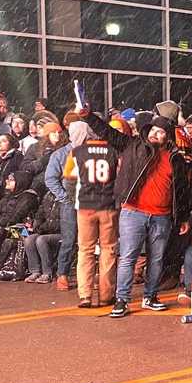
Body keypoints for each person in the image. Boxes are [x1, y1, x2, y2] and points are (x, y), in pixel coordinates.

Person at [77, 108, 192, 318]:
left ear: (168, 136)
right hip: (133, 212)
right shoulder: (132, 145)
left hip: (162, 216)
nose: (156, 135)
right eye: (154, 131)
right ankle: (122, 300)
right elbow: (107, 132)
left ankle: (150, 296)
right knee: (128, 257)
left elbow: (182, 190)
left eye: (161, 132)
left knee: (156, 259)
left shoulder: (175, 158)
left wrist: (183, 217)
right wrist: (87, 115)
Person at [69, 126, 121, 308]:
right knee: (108, 250)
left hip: (85, 206)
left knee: (85, 251)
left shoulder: (77, 152)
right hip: (108, 205)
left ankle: (85, 295)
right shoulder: (114, 151)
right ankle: (106, 295)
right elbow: (119, 176)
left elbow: (69, 174)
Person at [44, 119, 90, 291]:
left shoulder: (89, 152)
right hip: (73, 203)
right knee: (70, 240)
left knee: (84, 241)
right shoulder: (61, 155)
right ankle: (62, 274)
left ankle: (81, 275)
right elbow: (50, 179)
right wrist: (66, 198)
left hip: (87, 201)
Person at [24, 188, 62, 284]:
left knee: (41, 240)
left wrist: (42, 228)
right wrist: (35, 224)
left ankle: (47, 273)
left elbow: (59, 223)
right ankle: (35, 271)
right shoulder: (48, 195)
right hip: (46, 230)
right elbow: (40, 214)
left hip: (62, 232)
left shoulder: (66, 196)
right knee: (29, 240)